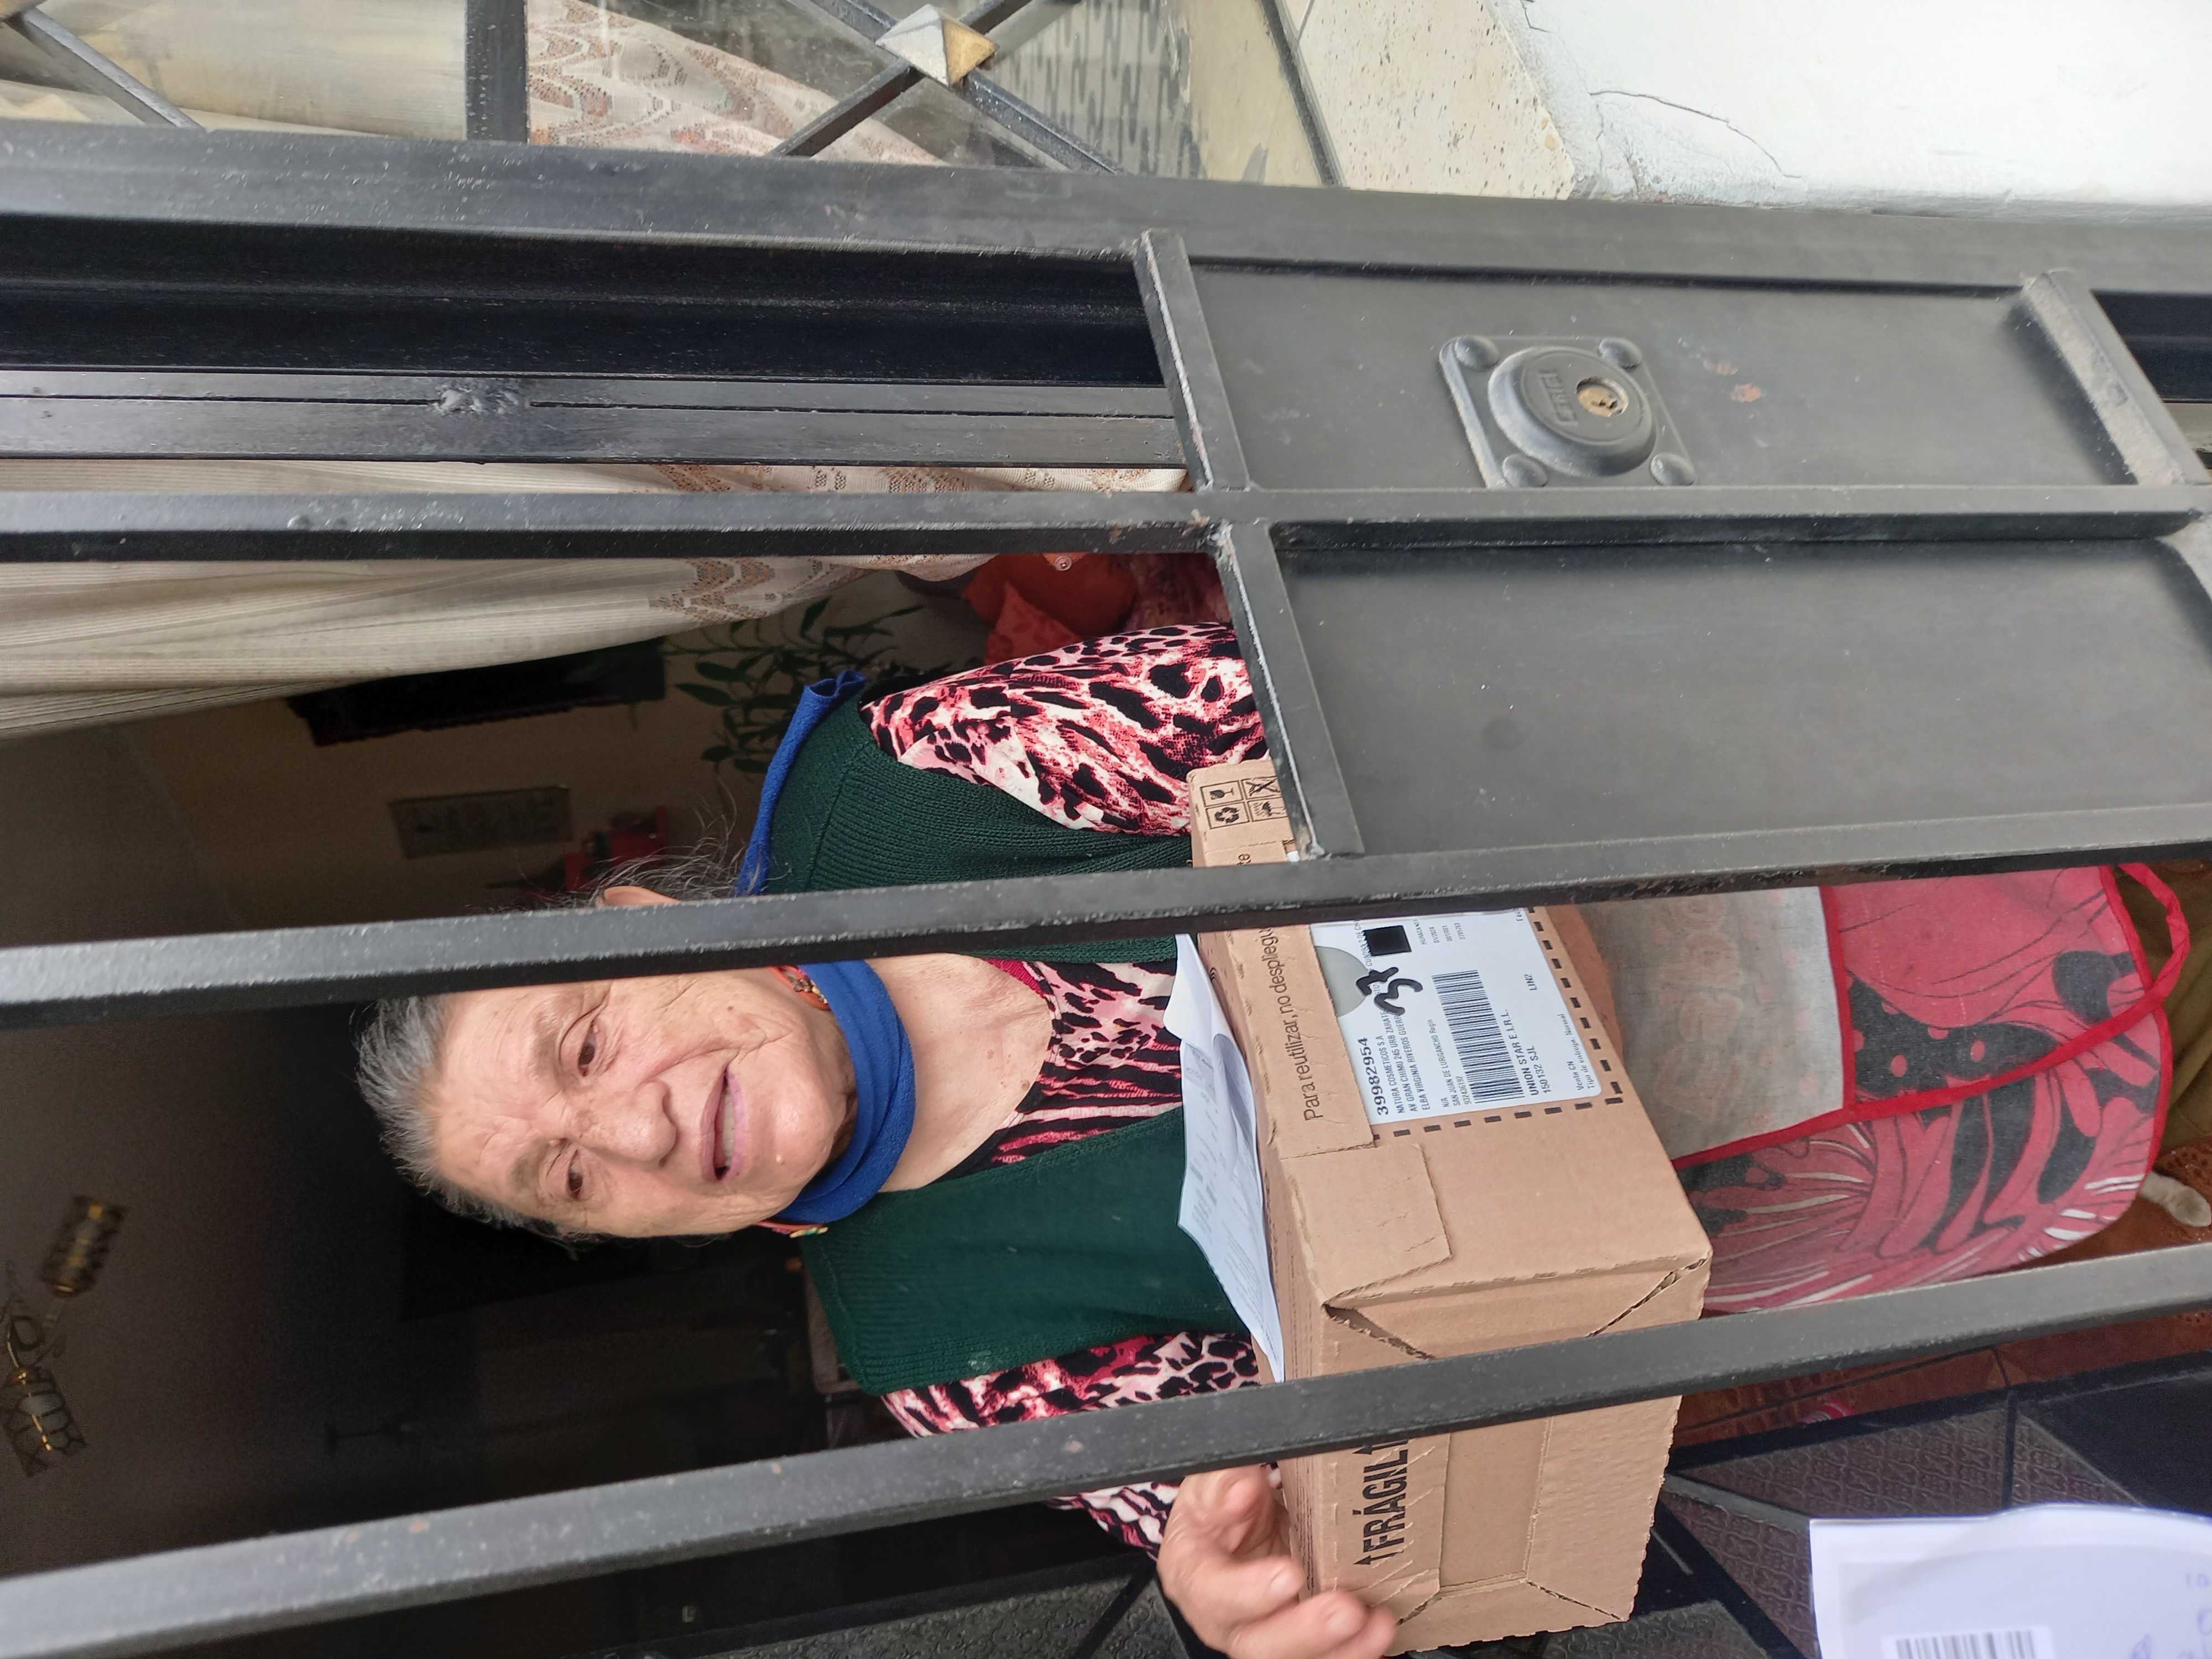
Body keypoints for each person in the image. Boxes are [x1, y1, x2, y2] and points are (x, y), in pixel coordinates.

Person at [356, 621, 2180, 1659]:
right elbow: (1316, 1481)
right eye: (573, 1180)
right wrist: (1243, 1575)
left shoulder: (900, 790)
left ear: (647, 920)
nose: (638, 1124)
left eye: (586, 1042)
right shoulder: (950, 1363)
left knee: (2129, 812)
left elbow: (1320, 701)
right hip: (1815, 1178)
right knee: (2140, 1110)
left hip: (1768, 865)